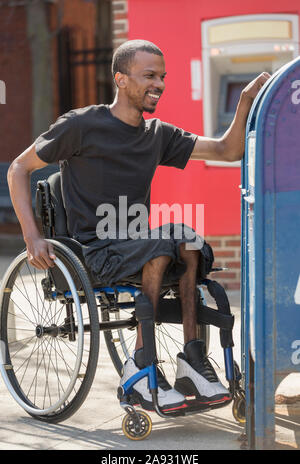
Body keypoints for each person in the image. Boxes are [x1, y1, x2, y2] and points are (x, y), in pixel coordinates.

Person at [7, 39, 270, 412]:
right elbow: (18, 168)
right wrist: (32, 237)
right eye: (149, 75)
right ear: (122, 79)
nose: (159, 84)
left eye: (162, 76)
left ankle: (193, 360)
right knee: (163, 243)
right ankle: (141, 363)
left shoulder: (157, 135)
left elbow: (228, 151)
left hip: (141, 246)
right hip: (93, 253)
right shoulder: (81, 125)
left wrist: (245, 99)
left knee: (186, 237)